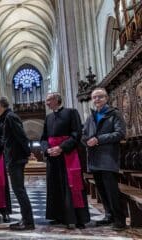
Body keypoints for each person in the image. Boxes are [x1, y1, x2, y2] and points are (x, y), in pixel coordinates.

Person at [40, 92, 90, 229]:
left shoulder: (71, 112)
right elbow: (43, 138)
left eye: (49, 100)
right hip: (52, 157)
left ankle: (78, 218)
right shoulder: (48, 118)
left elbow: (76, 134)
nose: (47, 102)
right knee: (55, 186)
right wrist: (46, 149)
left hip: (68, 155)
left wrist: (61, 148)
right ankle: (58, 215)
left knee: (72, 186)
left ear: (57, 99)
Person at [82, 88, 126, 230]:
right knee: (102, 189)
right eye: (94, 97)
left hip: (108, 158)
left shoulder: (114, 114)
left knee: (112, 190)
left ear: (106, 98)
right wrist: (86, 140)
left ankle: (120, 220)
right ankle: (109, 215)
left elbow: (120, 133)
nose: (97, 100)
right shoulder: (91, 117)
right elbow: (84, 134)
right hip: (94, 158)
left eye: (100, 97)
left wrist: (98, 139)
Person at [0, 97, 35, 230]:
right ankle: (26, 219)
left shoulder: (10, 117)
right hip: (13, 157)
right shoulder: (7, 118)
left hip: (16, 158)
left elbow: (21, 136)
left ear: (1, 106)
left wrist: (28, 152)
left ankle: (28, 222)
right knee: (18, 190)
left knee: (19, 190)